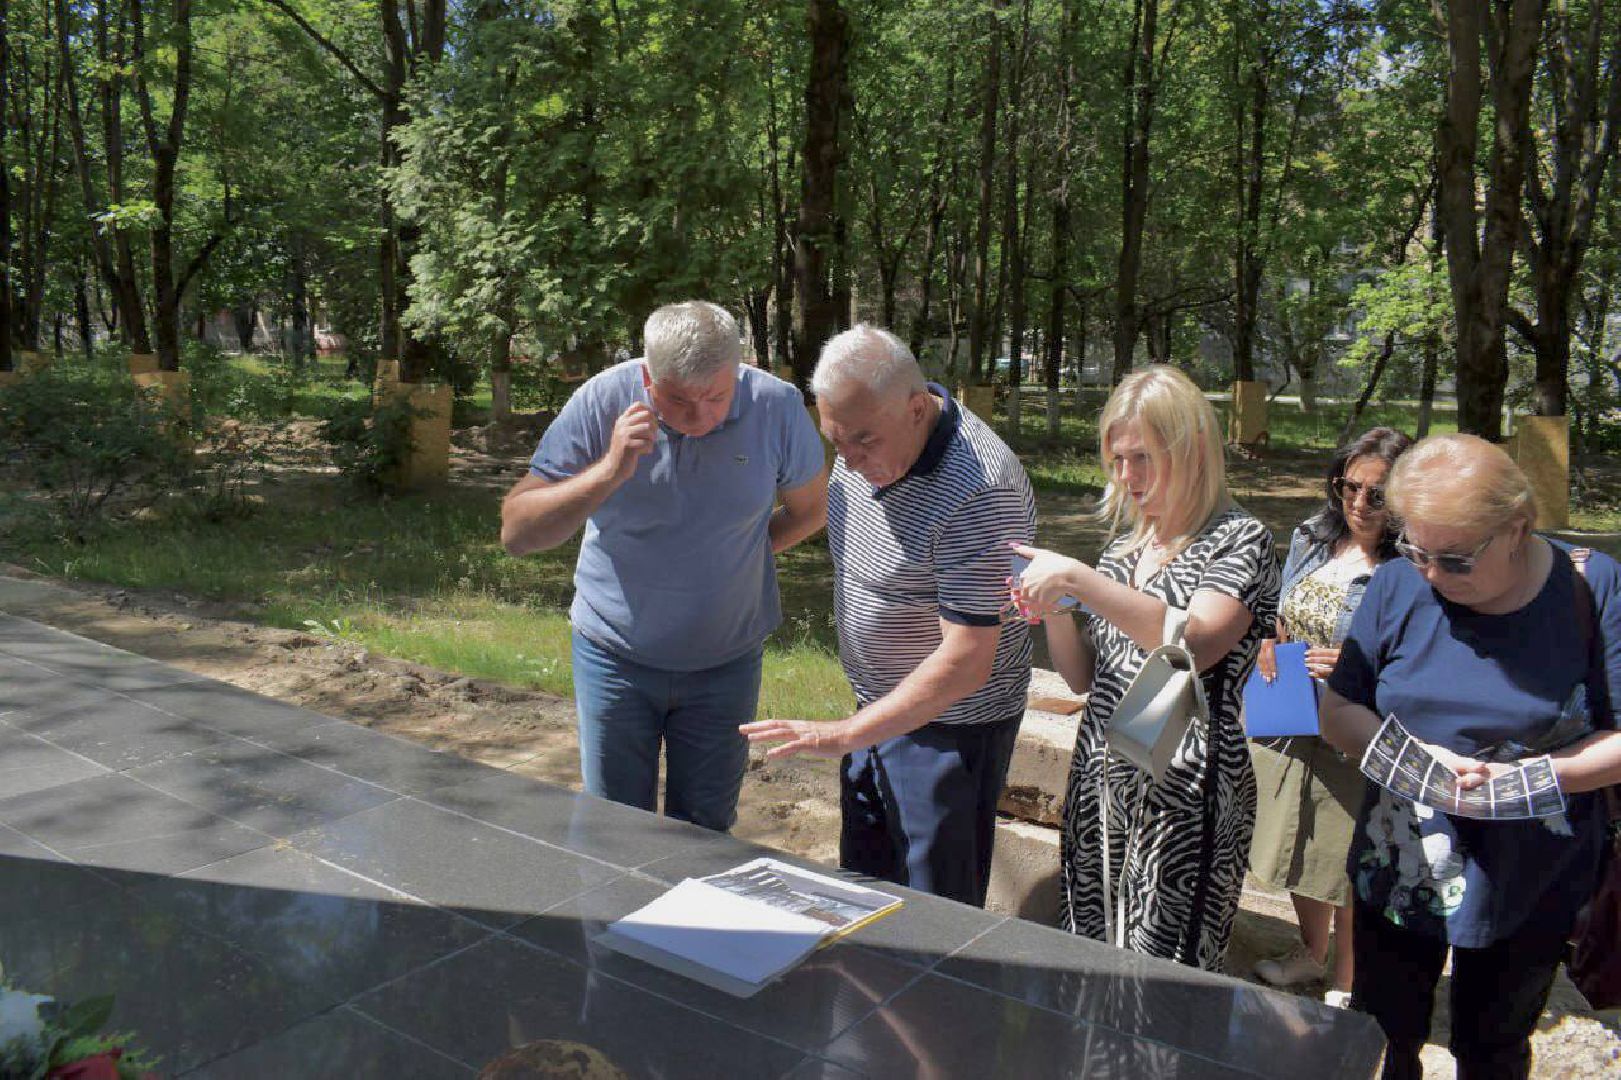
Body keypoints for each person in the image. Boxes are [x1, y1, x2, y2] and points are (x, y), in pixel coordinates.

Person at [1320, 434, 1621, 1080]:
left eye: (1452, 559)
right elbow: (1338, 710)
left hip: (1528, 880)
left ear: (1516, 528)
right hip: (1398, 867)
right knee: (1380, 1035)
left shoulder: (1590, 588)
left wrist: (1537, 776)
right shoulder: (1397, 584)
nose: (1428, 572)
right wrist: (1409, 753)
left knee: (1492, 1051)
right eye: (1414, 548)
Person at [500, 301, 827, 832]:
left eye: (716, 398)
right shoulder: (603, 399)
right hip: (614, 657)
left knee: (703, 832)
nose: (699, 418)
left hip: (726, 663)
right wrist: (609, 470)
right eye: (677, 400)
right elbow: (517, 533)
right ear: (648, 377)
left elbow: (812, 510)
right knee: (615, 829)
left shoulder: (777, 406)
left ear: (738, 371)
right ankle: (613, 919)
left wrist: (738, 552)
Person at [741, 325, 1036, 907]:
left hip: (949, 730)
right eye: (836, 441)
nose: (847, 461)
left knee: (934, 915)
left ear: (917, 408)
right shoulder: (872, 443)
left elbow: (966, 662)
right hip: (877, 712)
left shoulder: (979, 490)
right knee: (863, 894)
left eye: (862, 442)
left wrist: (845, 734)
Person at [1010, 365, 1278, 971]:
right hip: (1102, 785)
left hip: (1182, 798)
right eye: (1117, 460)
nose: (1127, 477)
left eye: (1142, 458)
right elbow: (1085, 678)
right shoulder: (1125, 549)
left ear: (1193, 451)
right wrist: (1053, 612)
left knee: (1160, 978)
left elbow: (1198, 644)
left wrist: (1078, 580)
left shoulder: (1240, 541)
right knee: (1090, 957)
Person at [1248, 427, 1413, 1007]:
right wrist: (1271, 642)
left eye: (1377, 493)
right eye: (1350, 487)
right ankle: (1310, 953)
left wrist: (1358, 660)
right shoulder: (1312, 537)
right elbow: (1280, 610)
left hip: (1355, 720)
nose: (1359, 504)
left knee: (1344, 851)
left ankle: (1347, 978)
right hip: (1290, 712)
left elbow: (1421, 651)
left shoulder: (1412, 564)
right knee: (1295, 839)